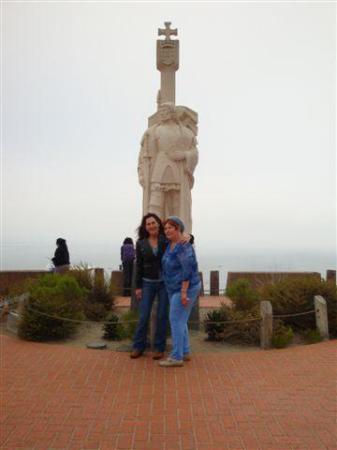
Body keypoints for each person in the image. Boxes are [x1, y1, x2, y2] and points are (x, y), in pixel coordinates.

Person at [137, 102, 199, 234]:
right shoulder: (153, 131)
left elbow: (194, 152)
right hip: (159, 169)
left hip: (177, 172)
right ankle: (153, 236)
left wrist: (184, 155)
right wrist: (142, 173)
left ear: (172, 113)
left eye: (165, 111)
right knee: (154, 206)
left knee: (176, 207)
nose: (162, 114)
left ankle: (177, 234)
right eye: (161, 111)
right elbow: (144, 155)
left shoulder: (185, 133)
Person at [159, 216, 201, 367]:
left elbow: (187, 270)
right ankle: (185, 351)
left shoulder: (184, 246)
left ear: (178, 229)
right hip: (172, 287)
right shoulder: (169, 244)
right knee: (181, 320)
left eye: (171, 227)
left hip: (185, 288)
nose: (167, 230)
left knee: (175, 320)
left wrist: (184, 292)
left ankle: (177, 357)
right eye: (166, 228)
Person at [130, 213, 169, 360]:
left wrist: (189, 238)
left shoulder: (165, 239)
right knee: (143, 315)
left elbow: (182, 238)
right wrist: (138, 287)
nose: (151, 226)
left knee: (162, 315)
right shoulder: (140, 243)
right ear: (145, 227)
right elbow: (138, 266)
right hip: (147, 283)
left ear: (158, 224)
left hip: (164, 283)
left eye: (153, 223)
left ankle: (159, 348)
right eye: (148, 224)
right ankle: (138, 346)